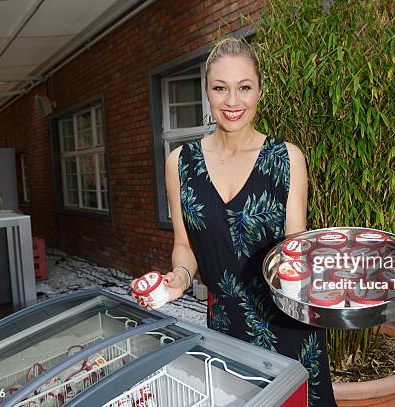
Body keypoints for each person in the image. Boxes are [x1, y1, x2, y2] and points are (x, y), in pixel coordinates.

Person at [133, 37, 337, 407]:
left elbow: (297, 251)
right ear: (206, 92)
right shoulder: (179, 163)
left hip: (291, 332)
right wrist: (179, 275)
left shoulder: (287, 158)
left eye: (244, 87)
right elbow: (185, 244)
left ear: (260, 91)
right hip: (226, 332)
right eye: (220, 88)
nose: (232, 101)